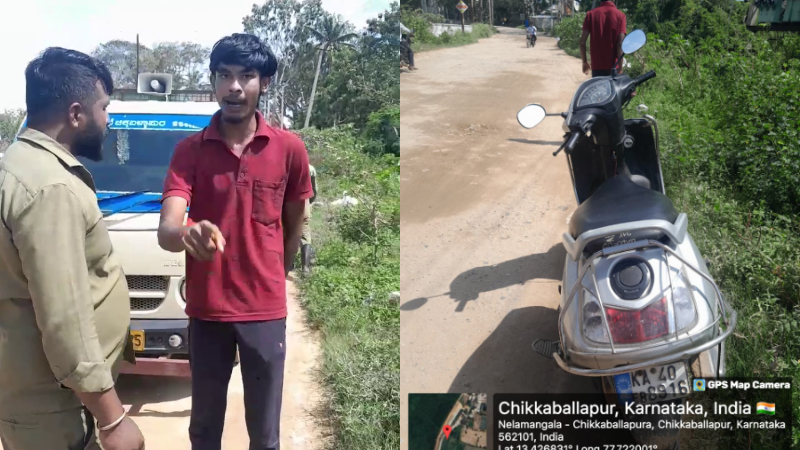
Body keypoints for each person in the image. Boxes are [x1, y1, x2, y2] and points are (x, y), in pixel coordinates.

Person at [157, 33, 313, 450]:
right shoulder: (188, 151)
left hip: (264, 312)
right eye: (224, 75)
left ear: (264, 83)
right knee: (204, 429)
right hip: (207, 312)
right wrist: (186, 233)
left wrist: (276, 273)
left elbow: (294, 221)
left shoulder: (289, 149)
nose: (235, 87)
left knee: (264, 433)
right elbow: (168, 228)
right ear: (213, 82)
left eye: (247, 76)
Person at [0, 48, 143, 450]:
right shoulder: (52, 187)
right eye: (105, 107)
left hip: (39, 396)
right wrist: (112, 419)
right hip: (55, 405)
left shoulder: (20, 163)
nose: (108, 119)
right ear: (76, 114)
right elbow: (64, 318)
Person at [580, 0, 627, 77]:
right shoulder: (621, 16)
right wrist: (620, 68)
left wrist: (584, 61)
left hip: (596, 68)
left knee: (599, 89)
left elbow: (582, 42)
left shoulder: (591, 14)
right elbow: (620, 44)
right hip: (614, 68)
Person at [300, 164, 317, 273]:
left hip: (286, 204)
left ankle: (288, 264)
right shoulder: (310, 168)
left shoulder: (283, 164)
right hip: (303, 202)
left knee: (287, 233)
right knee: (305, 236)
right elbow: (314, 191)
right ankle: (305, 267)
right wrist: (308, 203)